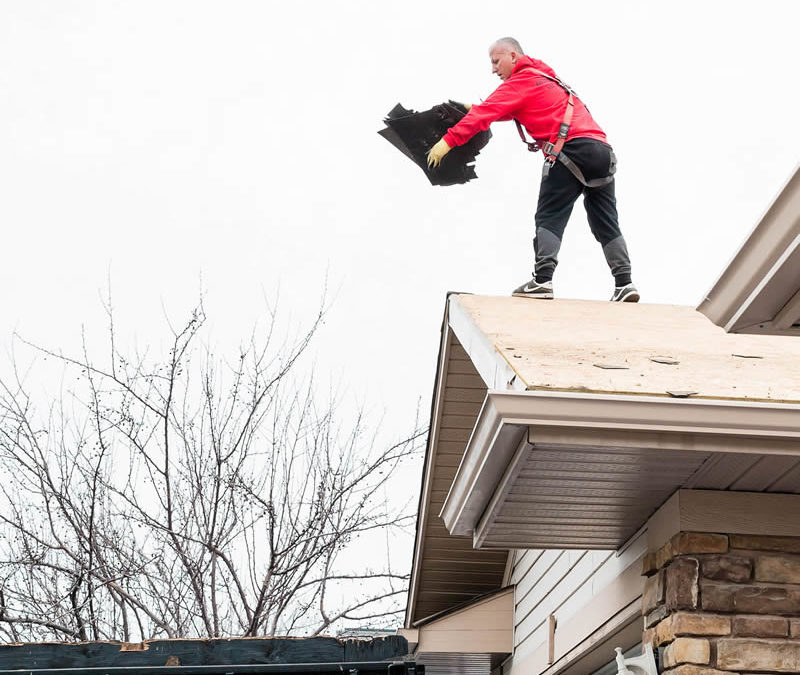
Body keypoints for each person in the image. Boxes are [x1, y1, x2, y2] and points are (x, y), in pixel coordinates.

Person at [427, 37, 639, 302]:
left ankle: (542, 281)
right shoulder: (546, 78)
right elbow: (510, 107)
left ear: (513, 56)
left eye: (496, 61)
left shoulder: (520, 81)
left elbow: (486, 116)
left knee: (549, 216)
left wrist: (446, 143)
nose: (493, 69)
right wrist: (476, 107)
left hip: (568, 151)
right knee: (605, 221)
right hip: (602, 152)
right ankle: (624, 283)